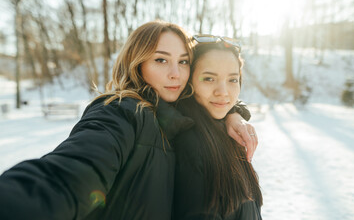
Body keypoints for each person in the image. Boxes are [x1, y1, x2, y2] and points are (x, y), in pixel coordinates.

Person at [0, 21, 257, 220]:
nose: (175, 73)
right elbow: (72, 171)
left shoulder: (177, 118)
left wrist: (234, 114)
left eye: (183, 61)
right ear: (137, 64)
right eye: (160, 60)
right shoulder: (122, 111)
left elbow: (214, 100)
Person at [173, 36, 263, 220]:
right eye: (209, 79)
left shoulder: (225, 131)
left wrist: (234, 113)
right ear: (189, 82)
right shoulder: (191, 145)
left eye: (232, 80)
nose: (223, 92)